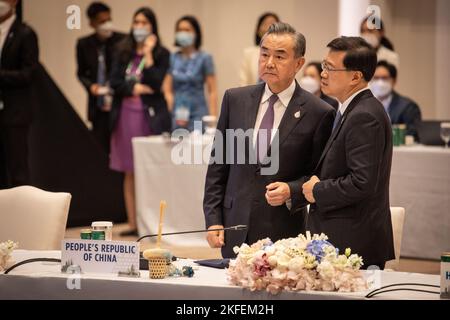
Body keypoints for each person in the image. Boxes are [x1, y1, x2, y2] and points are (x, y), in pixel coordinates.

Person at [204, 22, 335, 258]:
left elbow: (321, 175)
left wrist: (292, 189)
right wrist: (213, 219)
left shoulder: (319, 112)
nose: (269, 62)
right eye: (264, 54)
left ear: (299, 64)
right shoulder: (235, 99)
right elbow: (218, 165)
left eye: (280, 56)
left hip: (283, 230)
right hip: (234, 225)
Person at [302, 36, 395, 269]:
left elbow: (362, 182)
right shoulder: (350, 109)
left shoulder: (364, 115)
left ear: (355, 76)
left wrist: (317, 190)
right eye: (324, 65)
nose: (323, 73)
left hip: (354, 243)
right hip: (345, 238)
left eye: (331, 68)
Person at [109, 7, 170, 236]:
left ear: (152, 26)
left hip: (149, 116)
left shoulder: (162, 53)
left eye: (145, 22)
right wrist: (133, 87)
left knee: (149, 169)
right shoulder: (122, 50)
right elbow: (114, 81)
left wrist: (149, 54)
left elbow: (155, 83)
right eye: (137, 22)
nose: (140, 27)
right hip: (124, 115)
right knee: (129, 171)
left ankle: (153, 223)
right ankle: (133, 223)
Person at [76, 2, 126, 154]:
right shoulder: (84, 44)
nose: (107, 24)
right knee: (99, 149)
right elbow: (81, 73)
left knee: (120, 148)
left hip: (118, 103)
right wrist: (91, 86)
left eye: (109, 19)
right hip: (97, 106)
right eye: (102, 21)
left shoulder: (122, 41)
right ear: (92, 23)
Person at [0, 0, 38, 188]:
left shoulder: (25, 33)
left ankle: (20, 214)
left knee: (18, 168)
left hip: (15, 112)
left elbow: (29, 73)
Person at [163, 15, 217, 132]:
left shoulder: (205, 58)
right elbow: (167, 86)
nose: (183, 33)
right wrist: (170, 102)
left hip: (198, 111)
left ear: (196, 33)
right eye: (180, 30)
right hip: (178, 111)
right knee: (178, 146)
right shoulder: (173, 57)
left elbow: (212, 90)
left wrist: (213, 119)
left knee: (197, 147)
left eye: (187, 30)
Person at [370, 60, 421, 140]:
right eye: (376, 78)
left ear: (394, 81)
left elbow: (413, 134)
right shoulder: (365, 105)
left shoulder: (408, 107)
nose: (380, 82)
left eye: (384, 78)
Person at [239, 12, 280, 86]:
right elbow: (243, 81)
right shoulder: (248, 53)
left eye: (273, 24)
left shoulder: (283, 54)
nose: (269, 27)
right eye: (265, 24)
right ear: (258, 30)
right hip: (251, 94)